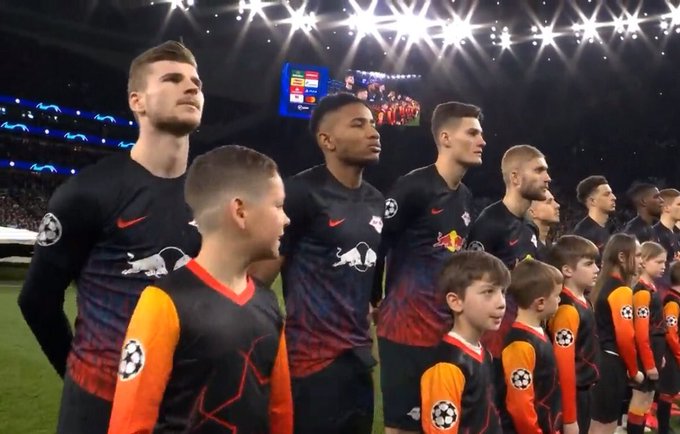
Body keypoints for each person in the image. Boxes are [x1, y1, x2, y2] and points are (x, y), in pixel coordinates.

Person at [17, 41, 203, 434]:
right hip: (99, 405)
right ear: (138, 101)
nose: (191, 87)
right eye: (172, 79)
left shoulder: (212, 198)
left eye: (196, 82)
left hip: (185, 404)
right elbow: (37, 300)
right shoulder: (87, 193)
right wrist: (80, 374)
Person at [108, 145, 293, 433]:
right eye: (278, 206)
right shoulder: (164, 302)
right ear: (240, 211)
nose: (286, 219)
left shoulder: (267, 303)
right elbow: (130, 424)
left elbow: (280, 412)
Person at [249, 93, 384, 434]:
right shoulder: (301, 194)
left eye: (372, 123)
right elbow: (257, 280)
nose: (373, 132)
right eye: (358, 124)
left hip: (359, 360)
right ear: (327, 140)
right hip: (310, 365)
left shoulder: (376, 201)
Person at [374, 101, 484, 434]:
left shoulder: (465, 197)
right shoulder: (414, 187)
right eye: (472, 133)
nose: (482, 141)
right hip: (406, 330)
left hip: (445, 330)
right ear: (446, 138)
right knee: (404, 428)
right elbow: (378, 243)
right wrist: (373, 299)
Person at [467, 144, 551, 358]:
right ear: (515, 177)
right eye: (539, 170)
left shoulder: (529, 225)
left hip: (525, 335)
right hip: (495, 342)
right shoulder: (490, 223)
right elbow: (472, 283)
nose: (547, 178)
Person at [420, 251, 510, 434]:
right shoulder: (447, 368)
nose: (501, 303)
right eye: (488, 292)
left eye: (503, 292)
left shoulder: (483, 353)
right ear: (456, 302)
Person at [588, 234, 644, 434]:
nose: (641, 261)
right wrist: (634, 370)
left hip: (598, 359)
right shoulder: (621, 291)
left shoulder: (601, 286)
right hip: (611, 364)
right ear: (622, 257)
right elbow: (625, 337)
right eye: (638, 255)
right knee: (604, 426)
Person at [498, 259, 563, 434]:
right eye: (557, 295)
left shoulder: (538, 332)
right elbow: (519, 404)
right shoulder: (520, 345)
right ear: (540, 303)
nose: (559, 300)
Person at [546, 235, 601, 434]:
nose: (596, 269)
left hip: (584, 391)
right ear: (567, 270)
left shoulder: (584, 300)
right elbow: (564, 366)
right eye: (589, 264)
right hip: (572, 395)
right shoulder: (567, 310)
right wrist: (569, 417)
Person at [627, 241, 667, 434]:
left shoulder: (651, 288)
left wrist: (659, 356)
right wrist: (649, 364)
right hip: (646, 353)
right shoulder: (642, 292)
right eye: (658, 262)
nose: (663, 266)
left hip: (654, 350)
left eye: (664, 262)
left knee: (647, 400)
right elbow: (641, 333)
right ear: (643, 261)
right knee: (640, 399)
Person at [658, 262, 680, 434]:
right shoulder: (672, 302)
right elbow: (671, 332)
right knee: (667, 392)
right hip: (671, 354)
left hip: (674, 353)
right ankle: (663, 429)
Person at [572, 176, 616, 256]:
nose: (614, 197)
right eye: (607, 194)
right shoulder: (583, 234)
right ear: (592, 201)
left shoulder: (614, 226)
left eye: (612, 193)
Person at [528, 188, 561, 259]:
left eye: (554, 201)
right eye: (549, 202)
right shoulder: (525, 247)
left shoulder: (550, 247)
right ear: (532, 212)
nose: (557, 205)